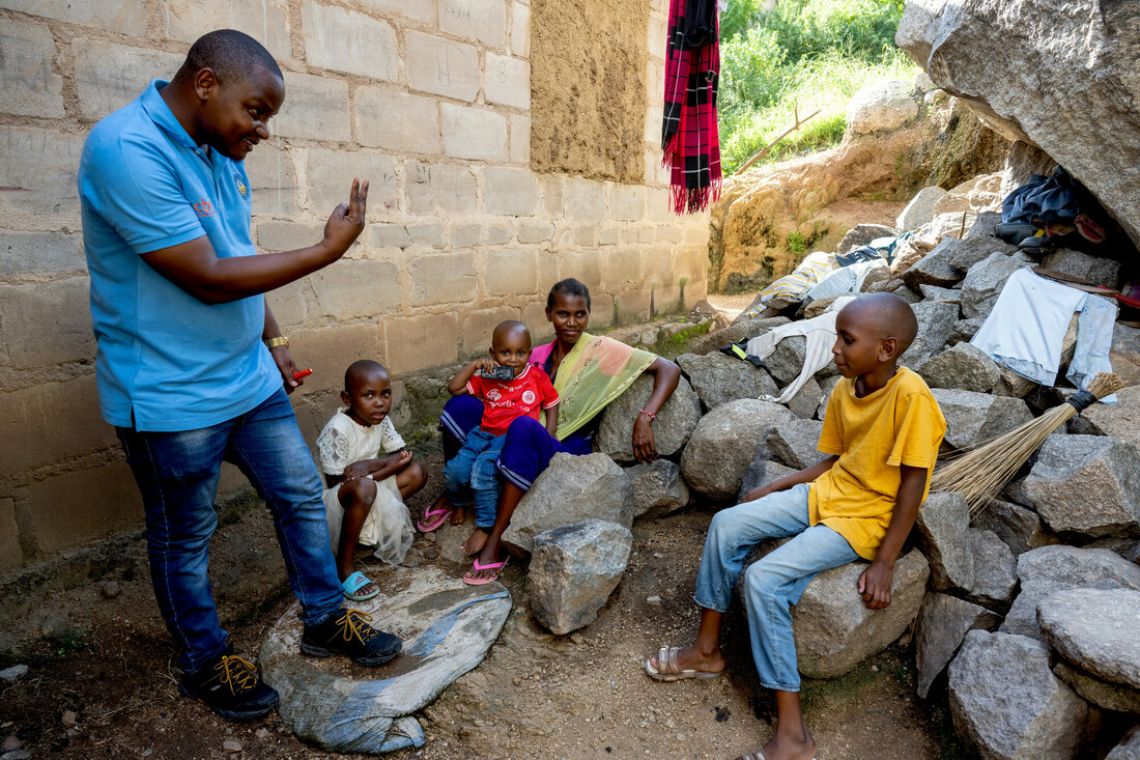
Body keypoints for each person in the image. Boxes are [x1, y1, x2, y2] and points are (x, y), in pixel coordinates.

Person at [78, 29, 401, 722]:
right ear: (204, 85)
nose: (261, 131)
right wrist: (325, 251)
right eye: (255, 112)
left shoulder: (219, 151)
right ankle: (203, 657)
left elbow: (235, 252)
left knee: (297, 496)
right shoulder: (125, 149)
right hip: (171, 398)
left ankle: (324, 616)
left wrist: (274, 337)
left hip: (248, 379)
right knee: (185, 533)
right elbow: (210, 276)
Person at [643, 293, 946, 760]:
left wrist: (885, 562)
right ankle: (707, 651)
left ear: (886, 349)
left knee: (765, 580)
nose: (835, 350)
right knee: (727, 523)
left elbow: (912, 485)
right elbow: (835, 461)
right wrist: (779, 485)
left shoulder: (912, 398)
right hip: (828, 493)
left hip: (866, 519)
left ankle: (793, 736)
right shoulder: (848, 388)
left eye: (846, 340)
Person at [430, 279, 682, 583]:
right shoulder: (534, 355)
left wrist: (645, 417)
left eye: (580, 314)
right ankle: (454, 489)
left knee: (523, 426)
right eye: (563, 314)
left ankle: (496, 538)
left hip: (563, 446)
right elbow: (498, 393)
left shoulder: (601, 350)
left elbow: (669, 368)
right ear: (549, 313)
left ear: (588, 315)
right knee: (458, 406)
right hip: (517, 435)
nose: (572, 323)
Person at [432, 321, 559, 584]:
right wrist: (473, 367)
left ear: (529, 352)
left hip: (509, 439)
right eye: (505, 353)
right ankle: (457, 503)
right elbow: (454, 389)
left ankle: (486, 526)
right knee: (456, 470)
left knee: (482, 472)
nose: (513, 360)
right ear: (493, 353)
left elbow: (552, 404)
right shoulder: (487, 376)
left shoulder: (536, 376)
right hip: (483, 434)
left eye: (520, 353)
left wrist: (550, 433)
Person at [316, 360, 426, 601]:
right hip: (339, 501)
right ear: (347, 398)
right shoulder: (338, 429)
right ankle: (344, 566)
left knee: (417, 471)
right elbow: (338, 483)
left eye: (385, 394)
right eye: (368, 395)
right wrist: (385, 468)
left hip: (369, 486)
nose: (379, 402)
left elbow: (404, 456)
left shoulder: (380, 419)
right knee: (365, 487)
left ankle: (371, 532)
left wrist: (369, 466)